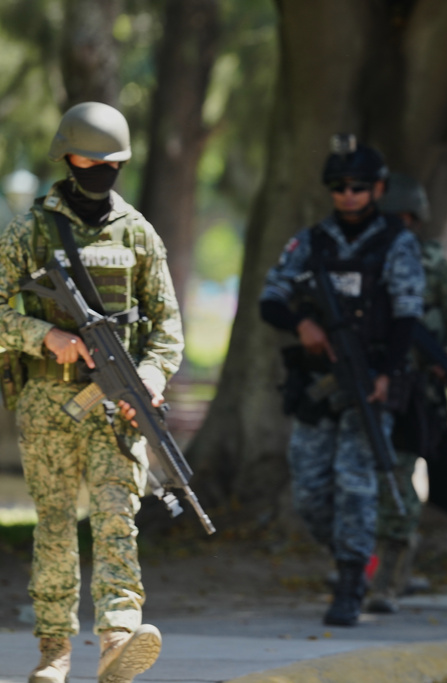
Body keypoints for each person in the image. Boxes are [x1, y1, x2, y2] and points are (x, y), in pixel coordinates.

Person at [0, 102, 183, 683]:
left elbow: (166, 326)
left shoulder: (138, 233)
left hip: (118, 404)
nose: (102, 169)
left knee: (116, 519)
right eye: (91, 159)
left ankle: (117, 639)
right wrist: (44, 335)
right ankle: (54, 652)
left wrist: (151, 376)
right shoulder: (28, 231)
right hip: (48, 403)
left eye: (113, 162)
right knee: (55, 525)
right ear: (67, 158)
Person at [259, 135, 425, 626]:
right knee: (309, 491)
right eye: (338, 187)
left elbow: (406, 316)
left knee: (357, 484)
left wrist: (386, 375)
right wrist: (302, 325)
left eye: (357, 186)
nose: (348, 195)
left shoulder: (397, 242)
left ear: (377, 188)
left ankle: (352, 580)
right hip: (317, 385)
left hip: (368, 381)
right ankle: (347, 553)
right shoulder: (311, 242)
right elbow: (271, 298)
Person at [366, 173, 447, 612]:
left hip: (415, 393)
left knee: (397, 479)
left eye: (401, 218)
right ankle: (362, 567)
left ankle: (391, 576)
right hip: (363, 387)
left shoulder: (433, 264)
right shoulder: (358, 257)